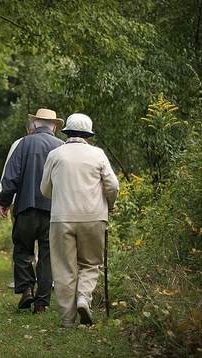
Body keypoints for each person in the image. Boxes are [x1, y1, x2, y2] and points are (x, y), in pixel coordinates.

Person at [40, 113, 119, 328]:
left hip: (61, 218)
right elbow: (112, 186)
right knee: (90, 263)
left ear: (66, 131)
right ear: (88, 134)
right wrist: (110, 203)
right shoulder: (98, 154)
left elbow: (45, 189)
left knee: (65, 267)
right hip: (94, 216)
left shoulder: (55, 155)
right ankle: (84, 298)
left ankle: (67, 320)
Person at [0, 108, 64, 314]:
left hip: (25, 207)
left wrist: (4, 201)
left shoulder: (23, 143)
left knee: (22, 250)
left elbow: (11, 178)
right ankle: (42, 302)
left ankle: (27, 289)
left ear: (34, 125)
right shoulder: (61, 146)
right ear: (54, 127)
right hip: (52, 210)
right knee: (47, 254)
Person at [0, 120, 34, 289]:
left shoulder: (19, 144)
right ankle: (46, 280)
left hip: (20, 202)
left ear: (28, 130)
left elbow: (9, 173)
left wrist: (5, 201)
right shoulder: (58, 144)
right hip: (49, 203)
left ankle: (21, 280)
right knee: (47, 243)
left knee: (20, 242)